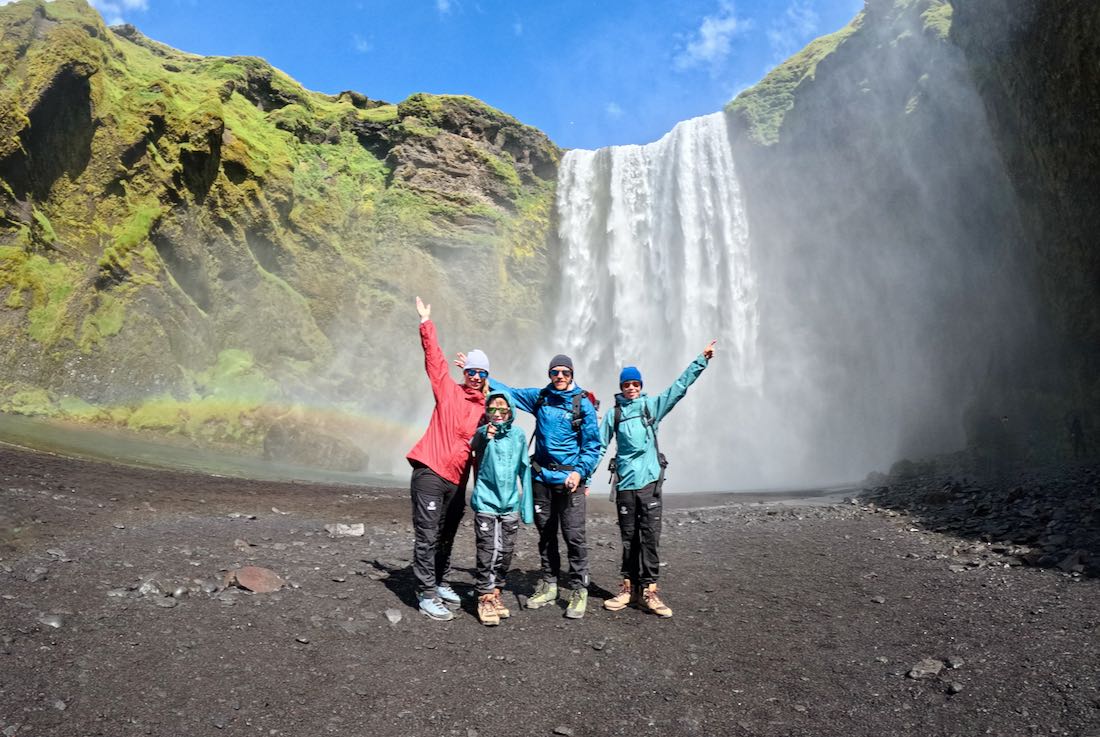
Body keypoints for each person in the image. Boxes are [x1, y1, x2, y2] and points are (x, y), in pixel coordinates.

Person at [600, 340, 716, 618]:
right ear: (621, 386)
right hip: (626, 484)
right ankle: (628, 589)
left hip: (650, 483)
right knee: (629, 539)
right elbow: (599, 445)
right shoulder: (613, 414)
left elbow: (679, 389)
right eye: (626, 384)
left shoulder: (651, 407)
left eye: (635, 384)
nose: (630, 388)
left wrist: (701, 361)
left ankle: (649, 591)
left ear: (640, 386)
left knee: (650, 538)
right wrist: (582, 476)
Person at [484, 354, 601, 619]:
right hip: (540, 480)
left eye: (565, 373)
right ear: (549, 374)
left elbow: (593, 445)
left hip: (571, 482)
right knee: (546, 535)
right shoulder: (541, 397)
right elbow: (508, 393)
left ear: (572, 375)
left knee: (574, 536)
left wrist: (580, 472)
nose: (559, 377)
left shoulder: (583, 404)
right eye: (555, 372)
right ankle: (549, 583)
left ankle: (578, 589)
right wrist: (481, 375)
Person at [405, 296, 490, 621]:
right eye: (471, 371)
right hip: (430, 470)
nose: (476, 376)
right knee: (427, 534)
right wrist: (426, 323)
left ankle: (438, 581)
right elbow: (435, 361)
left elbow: (505, 407)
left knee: (446, 533)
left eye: (481, 373)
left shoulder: (486, 408)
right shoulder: (448, 390)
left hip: (457, 479)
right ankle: (425, 593)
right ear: (464, 372)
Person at [469, 389, 535, 626]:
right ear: (487, 412)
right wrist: (485, 435)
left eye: (502, 409)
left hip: (510, 504)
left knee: (506, 551)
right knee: (488, 549)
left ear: (511, 411)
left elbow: (525, 470)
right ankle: (484, 597)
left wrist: (527, 508)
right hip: (486, 501)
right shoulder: (483, 432)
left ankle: (496, 593)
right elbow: (473, 445)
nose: (497, 413)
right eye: (492, 409)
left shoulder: (518, 435)